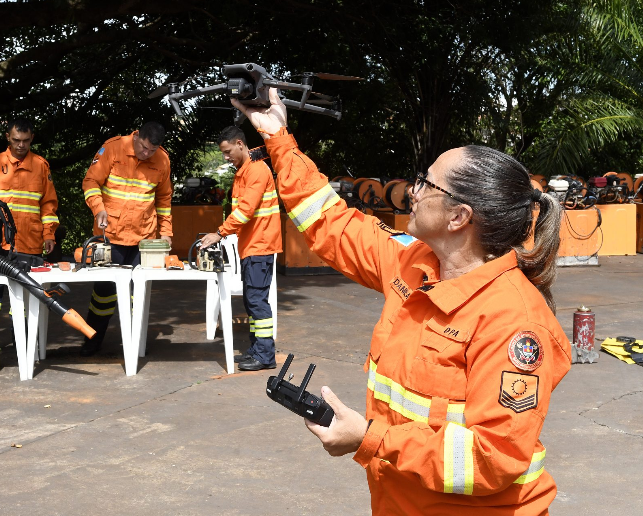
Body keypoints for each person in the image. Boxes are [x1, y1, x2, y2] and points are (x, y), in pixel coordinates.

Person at [231, 88, 571, 515]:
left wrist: (369, 438)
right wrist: (277, 135)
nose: (413, 190)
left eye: (426, 183)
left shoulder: (515, 324)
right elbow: (330, 222)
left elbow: (493, 459)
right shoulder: (414, 264)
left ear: (458, 216)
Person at [80, 122, 173, 356]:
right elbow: (90, 182)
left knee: (137, 295)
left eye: (151, 150)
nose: (146, 154)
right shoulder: (112, 148)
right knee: (103, 293)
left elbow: (164, 200)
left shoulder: (162, 160)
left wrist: (166, 233)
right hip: (111, 234)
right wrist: (98, 208)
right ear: (137, 136)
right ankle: (92, 341)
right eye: (143, 148)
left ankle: (134, 346)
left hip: (144, 237)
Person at [200, 126, 283, 371]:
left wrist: (219, 233)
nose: (226, 157)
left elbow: (245, 210)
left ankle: (265, 355)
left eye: (227, 152)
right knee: (252, 300)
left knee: (257, 301)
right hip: (253, 245)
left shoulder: (255, 171)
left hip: (261, 245)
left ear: (239, 143)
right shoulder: (245, 170)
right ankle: (258, 350)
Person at [0, 118, 59, 346]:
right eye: (17, 140)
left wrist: (49, 234)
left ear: (32, 139)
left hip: (30, 242)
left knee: (25, 298)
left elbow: (48, 205)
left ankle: (24, 346)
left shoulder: (41, 165)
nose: (21, 145)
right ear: (8, 137)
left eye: (26, 141)